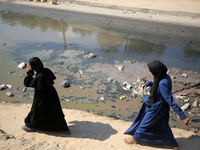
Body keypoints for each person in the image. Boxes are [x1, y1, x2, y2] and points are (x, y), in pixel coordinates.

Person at [124, 60, 189, 150]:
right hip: (157, 104)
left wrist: (182, 116)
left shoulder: (163, 84)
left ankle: (135, 138)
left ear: (156, 72)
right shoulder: (165, 77)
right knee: (162, 125)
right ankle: (171, 143)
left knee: (144, 124)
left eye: (151, 71)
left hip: (157, 108)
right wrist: (148, 83)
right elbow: (156, 82)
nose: (150, 72)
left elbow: (170, 100)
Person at [22, 57, 70, 133]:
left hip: (42, 96)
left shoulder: (40, 76)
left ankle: (31, 126)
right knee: (54, 111)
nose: (28, 65)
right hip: (52, 94)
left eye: (30, 64)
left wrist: (30, 71)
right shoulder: (46, 71)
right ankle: (62, 128)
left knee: (36, 111)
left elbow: (27, 83)